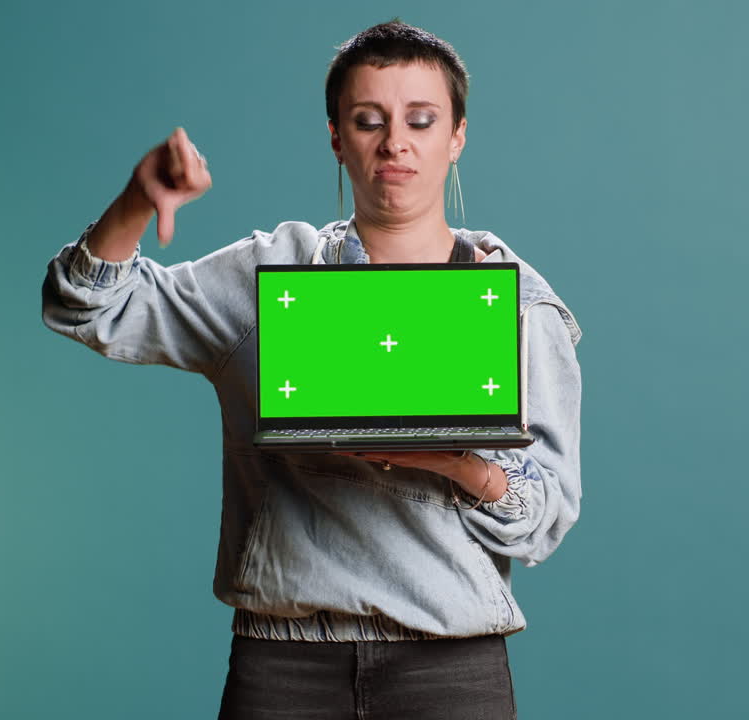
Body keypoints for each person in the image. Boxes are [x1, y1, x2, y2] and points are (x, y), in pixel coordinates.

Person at [40, 19, 582, 720]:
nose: (395, 142)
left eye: (421, 120)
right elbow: (84, 306)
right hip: (285, 662)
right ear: (336, 137)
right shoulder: (270, 275)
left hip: (450, 666)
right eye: (368, 121)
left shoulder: (516, 306)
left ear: (457, 137)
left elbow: (544, 520)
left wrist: (458, 465)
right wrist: (138, 199)